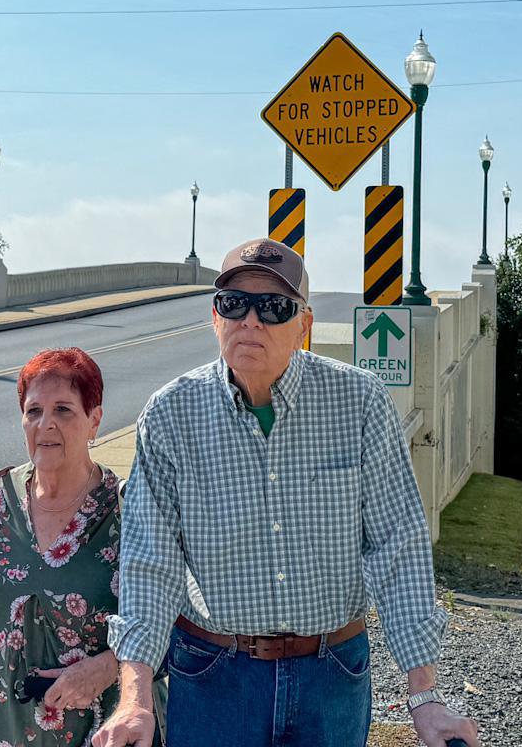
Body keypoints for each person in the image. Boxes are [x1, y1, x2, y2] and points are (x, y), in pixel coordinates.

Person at [96, 239, 482, 747]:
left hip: (332, 676)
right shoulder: (171, 414)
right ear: (216, 317)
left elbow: (397, 545)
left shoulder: (360, 403)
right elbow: (151, 564)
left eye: (274, 307)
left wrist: (424, 695)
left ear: (304, 325)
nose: (250, 321)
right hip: (213, 674)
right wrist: (135, 699)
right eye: (234, 304)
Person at [0, 347, 143, 746]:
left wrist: (109, 667)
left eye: (63, 410)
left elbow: (175, 624)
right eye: (34, 411)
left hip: (90, 735)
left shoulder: (130, 509)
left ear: (94, 421)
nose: (46, 424)